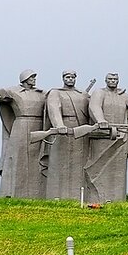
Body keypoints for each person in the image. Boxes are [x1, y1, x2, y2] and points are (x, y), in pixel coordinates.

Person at [0, 70, 47, 199]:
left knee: (36, 160)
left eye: (34, 77)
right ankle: (13, 192)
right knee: (18, 159)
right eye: (32, 77)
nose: (34, 79)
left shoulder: (42, 94)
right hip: (21, 125)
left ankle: (38, 193)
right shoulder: (14, 92)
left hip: (39, 126)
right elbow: (0, 96)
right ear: (25, 79)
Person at [85, 73, 128, 204]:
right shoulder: (99, 93)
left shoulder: (125, 97)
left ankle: (116, 201)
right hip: (102, 137)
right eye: (110, 79)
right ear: (106, 80)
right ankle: (95, 199)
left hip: (121, 138)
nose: (113, 81)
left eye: (115, 79)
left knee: (117, 173)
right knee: (96, 169)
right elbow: (94, 107)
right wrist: (101, 120)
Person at [43, 72, 92, 200]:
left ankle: (79, 197)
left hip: (81, 131)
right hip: (63, 130)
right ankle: (56, 196)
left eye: (72, 77)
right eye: (67, 77)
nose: (70, 79)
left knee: (79, 165)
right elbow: (54, 108)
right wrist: (59, 125)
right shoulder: (55, 92)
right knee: (59, 164)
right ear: (63, 78)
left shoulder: (83, 95)